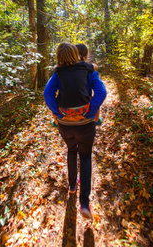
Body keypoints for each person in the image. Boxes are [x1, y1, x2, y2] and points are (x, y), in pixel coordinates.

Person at [44, 42, 106, 219]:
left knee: (72, 150)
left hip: (65, 124)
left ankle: (72, 186)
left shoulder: (57, 74)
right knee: (85, 156)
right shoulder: (88, 71)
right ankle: (84, 203)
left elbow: (47, 94)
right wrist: (91, 111)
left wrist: (57, 112)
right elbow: (101, 92)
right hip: (85, 124)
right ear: (75, 54)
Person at [75, 43, 102, 125]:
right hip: (85, 105)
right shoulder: (90, 70)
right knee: (94, 100)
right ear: (86, 55)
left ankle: (56, 122)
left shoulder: (64, 70)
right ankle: (96, 120)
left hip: (66, 106)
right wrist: (91, 113)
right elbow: (101, 93)